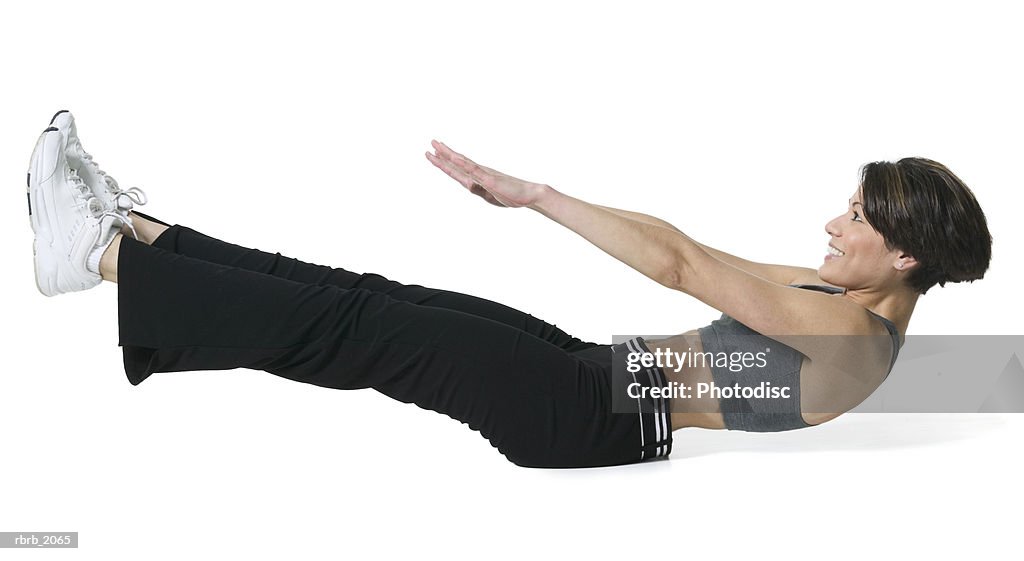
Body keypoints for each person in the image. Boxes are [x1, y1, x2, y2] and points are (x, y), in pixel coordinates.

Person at [26, 110, 992, 468]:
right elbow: (689, 245)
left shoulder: (851, 347)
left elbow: (684, 268)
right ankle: (134, 236)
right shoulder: (841, 302)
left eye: (859, 218)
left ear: (905, 256)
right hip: (590, 377)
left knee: (357, 326)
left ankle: (97, 262)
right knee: (369, 295)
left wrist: (534, 196)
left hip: (581, 414)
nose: (834, 223)